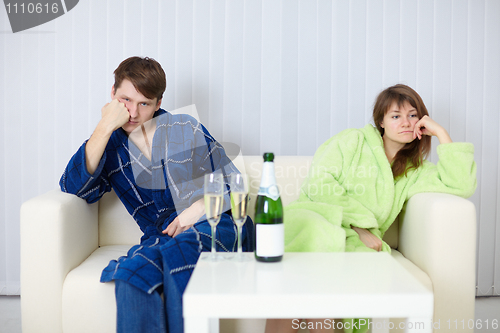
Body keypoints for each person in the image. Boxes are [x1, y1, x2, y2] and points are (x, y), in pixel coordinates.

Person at [60, 56, 253, 333]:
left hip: (213, 223)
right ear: (112, 95)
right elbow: (73, 187)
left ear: (158, 103)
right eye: (125, 100)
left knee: (181, 251)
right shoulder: (108, 145)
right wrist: (104, 127)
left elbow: (235, 183)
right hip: (161, 237)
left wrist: (197, 209)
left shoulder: (184, 127)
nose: (133, 113)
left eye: (144, 103)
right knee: (131, 274)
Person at [266, 84, 477, 333]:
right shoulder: (352, 140)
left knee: (323, 296)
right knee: (293, 295)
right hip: (314, 219)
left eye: (412, 115)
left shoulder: (415, 171)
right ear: (381, 122)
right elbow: (320, 181)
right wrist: (358, 227)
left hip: (354, 241)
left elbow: (460, 184)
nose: (406, 122)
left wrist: (441, 133)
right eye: (396, 116)